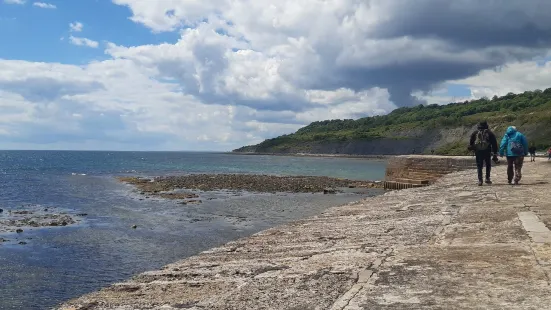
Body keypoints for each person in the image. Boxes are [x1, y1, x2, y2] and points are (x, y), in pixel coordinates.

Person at [469, 121, 498, 186]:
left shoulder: (475, 133)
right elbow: (494, 144)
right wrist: (495, 153)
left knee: (479, 166)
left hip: (478, 152)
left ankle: (480, 180)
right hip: (487, 151)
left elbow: (471, 143)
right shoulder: (490, 133)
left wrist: (473, 148)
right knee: (488, 165)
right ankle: (487, 178)